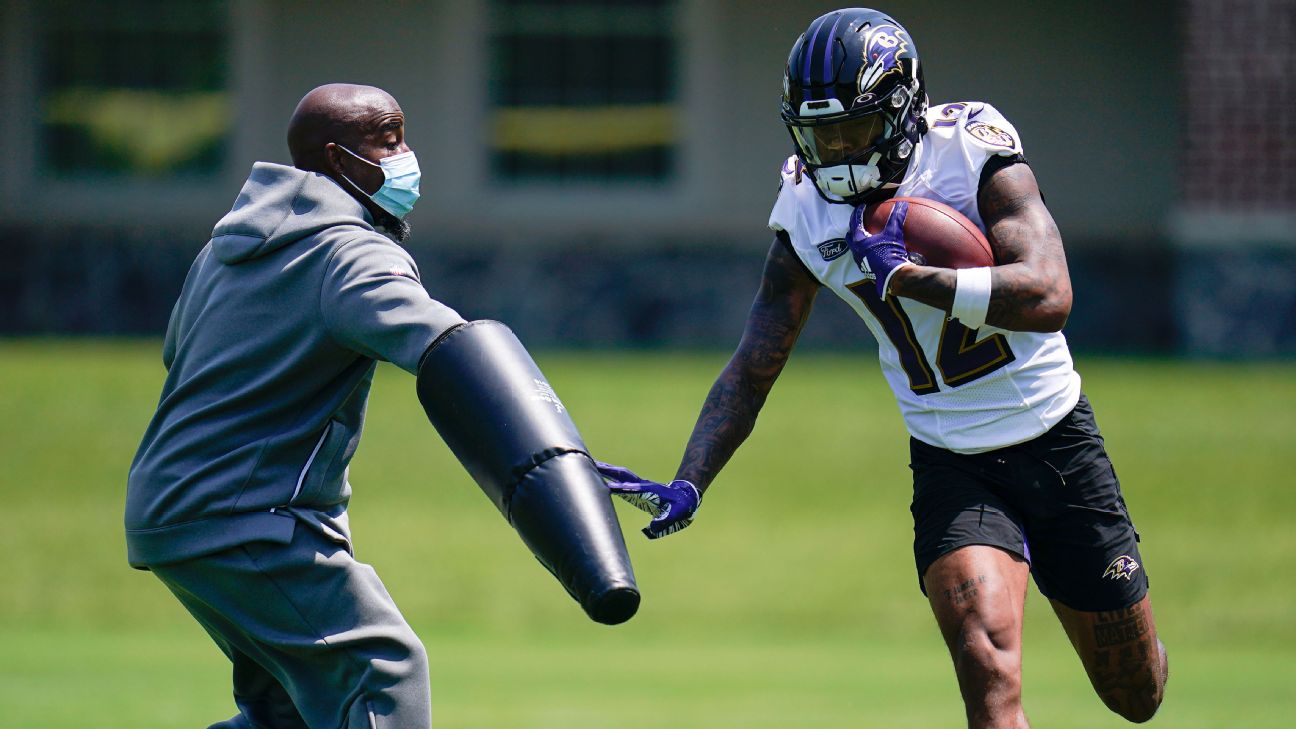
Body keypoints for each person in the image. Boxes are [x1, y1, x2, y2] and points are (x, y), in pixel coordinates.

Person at [597, 9, 1168, 727]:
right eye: (817, 136)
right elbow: (755, 362)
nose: (833, 154)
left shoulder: (969, 151)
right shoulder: (806, 205)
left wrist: (917, 280)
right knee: (987, 667)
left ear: (901, 109)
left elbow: (1050, 294)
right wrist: (691, 477)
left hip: (1056, 443)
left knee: (1136, 694)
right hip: (952, 462)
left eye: (850, 130)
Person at [126, 83, 637, 729]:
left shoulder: (222, 252)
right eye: (389, 139)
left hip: (171, 510)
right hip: (247, 516)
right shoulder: (348, 253)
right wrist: (560, 461)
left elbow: (180, 354)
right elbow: (452, 351)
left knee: (289, 712)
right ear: (340, 159)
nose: (406, 156)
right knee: (381, 665)